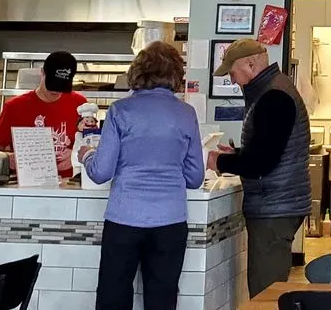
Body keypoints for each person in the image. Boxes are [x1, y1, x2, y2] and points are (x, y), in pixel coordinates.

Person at [80, 41, 203, 310]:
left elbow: (100, 172)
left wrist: (86, 155)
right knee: (162, 299)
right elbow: (195, 177)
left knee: (113, 297)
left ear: (137, 71)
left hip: (123, 219)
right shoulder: (186, 114)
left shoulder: (120, 111)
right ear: (176, 74)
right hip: (170, 221)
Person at [206, 39, 311, 299]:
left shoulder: (273, 97)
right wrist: (238, 155)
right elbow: (269, 149)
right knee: (267, 287)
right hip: (279, 204)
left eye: (232, 73)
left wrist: (218, 162)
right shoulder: (274, 89)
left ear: (250, 64)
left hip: (274, 207)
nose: (233, 80)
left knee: (266, 293)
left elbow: (262, 163)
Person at [0, 51, 86, 177]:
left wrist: (75, 156)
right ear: (42, 72)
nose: (56, 90)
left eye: (61, 85)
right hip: (27, 182)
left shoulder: (80, 105)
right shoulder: (14, 107)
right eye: (52, 83)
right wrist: (7, 158)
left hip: (69, 182)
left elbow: (93, 146)